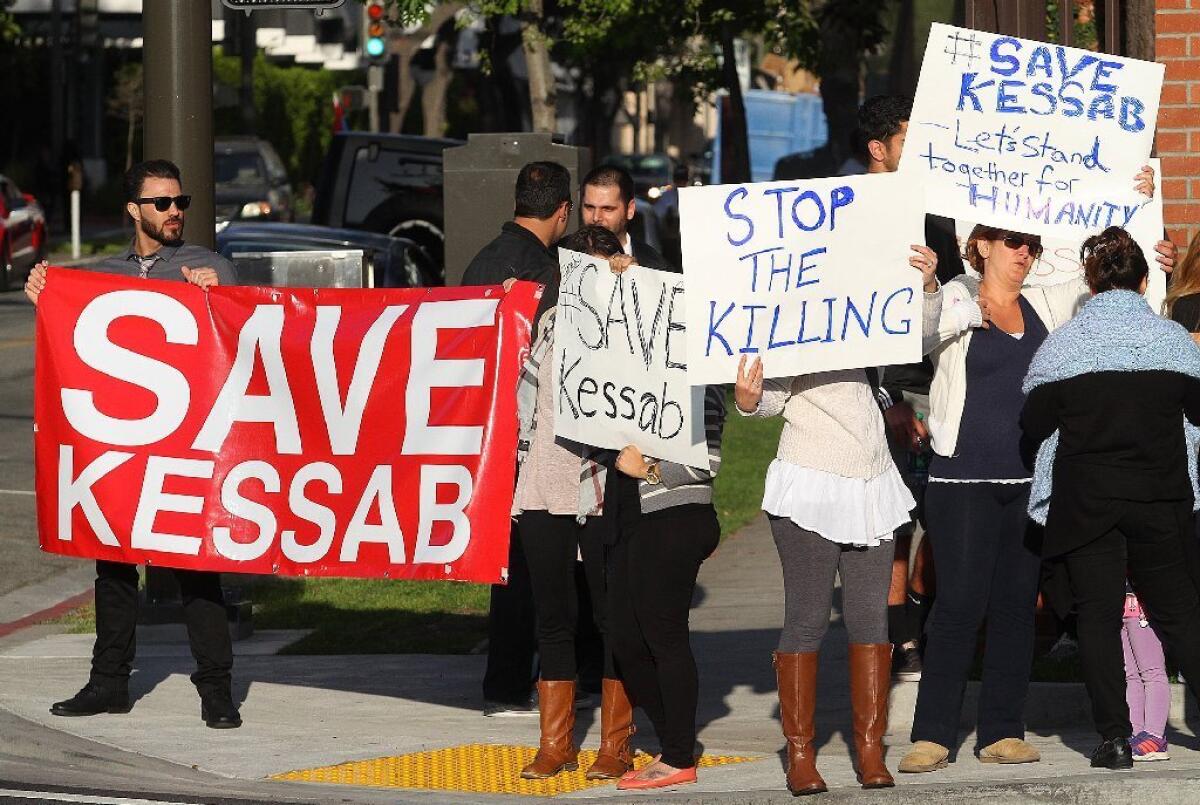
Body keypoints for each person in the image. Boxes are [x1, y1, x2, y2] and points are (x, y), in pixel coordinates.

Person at [899, 168, 1161, 774]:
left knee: (1018, 605)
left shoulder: (1044, 301)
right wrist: (941, 291)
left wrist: (1134, 202)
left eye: (1033, 245)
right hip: (962, 478)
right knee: (959, 602)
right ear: (982, 243)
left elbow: (1108, 284)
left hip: (1027, 481)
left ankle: (1001, 729)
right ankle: (933, 732)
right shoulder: (955, 296)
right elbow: (917, 332)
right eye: (1015, 242)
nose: (1027, 253)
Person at [24, 159, 241, 729]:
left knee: (196, 568)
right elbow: (71, 334)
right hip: (119, 447)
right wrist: (47, 295)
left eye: (180, 202)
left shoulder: (209, 266)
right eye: (162, 203)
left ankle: (217, 691)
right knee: (114, 568)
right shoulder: (103, 275)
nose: (175, 213)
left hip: (187, 446)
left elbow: (248, 336)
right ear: (133, 211)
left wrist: (221, 298)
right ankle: (109, 683)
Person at [734, 244, 942, 795]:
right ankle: (799, 755)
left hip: (872, 483)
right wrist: (748, 396)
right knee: (805, 619)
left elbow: (915, 336)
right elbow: (768, 401)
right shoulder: (792, 316)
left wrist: (925, 286)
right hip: (809, 483)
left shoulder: (868, 306)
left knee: (871, 621)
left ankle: (870, 750)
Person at [1020, 226, 1200, 770]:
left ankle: (1115, 738)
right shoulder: (1173, 343)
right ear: (1146, 282)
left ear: (1091, 284)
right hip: (1159, 499)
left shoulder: (1063, 346)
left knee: (1097, 619)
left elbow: (1032, 423)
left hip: (1086, 503)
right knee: (1182, 616)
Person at [511, 224, 629, 780]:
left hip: (602, 490)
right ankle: (555, 743)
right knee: (553, 619)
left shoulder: (633, 334)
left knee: (612, 618)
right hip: (543, 485)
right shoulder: (547, 326)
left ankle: (615, 743)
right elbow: (523, 407)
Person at [856, 95, 963, 681]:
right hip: (885, 396)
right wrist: (888, 399)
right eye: (907, 141)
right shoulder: (852, 213)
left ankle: (923, 618)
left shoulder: (936, 211)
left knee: (943, 517)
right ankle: (900, 644)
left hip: (942, 382)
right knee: (891, 526)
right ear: (878, 149)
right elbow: (841, 325)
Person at [602, 289, 727, 791]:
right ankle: (676, 738)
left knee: (664, 637)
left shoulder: (700, 375)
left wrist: (650, 468)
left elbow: (708, 463)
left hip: (676, 516)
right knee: (625, 637)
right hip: (636, 518)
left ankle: (677, 755)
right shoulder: (638, 369)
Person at [464, 161, 574, 717]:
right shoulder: (547, 272)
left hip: (481, 435)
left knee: (507, 567)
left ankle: (505, 681)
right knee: (535, 573)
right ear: (562, 211)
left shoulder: (481, 262)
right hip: (529, 438)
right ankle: (516, 683)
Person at [579, 165, 675, 272]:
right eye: (589, 207)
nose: (596, 217)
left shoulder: (657, 269)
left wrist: (641, 280)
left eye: (607, 209)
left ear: (630, 210)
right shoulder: (559, 256)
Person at [1122, 588, 1170, 762]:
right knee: (1130, 675)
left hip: (1144, 606)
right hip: (1122, 607)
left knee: (1152, 672)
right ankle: (1136, 734)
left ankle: (1155, 735)